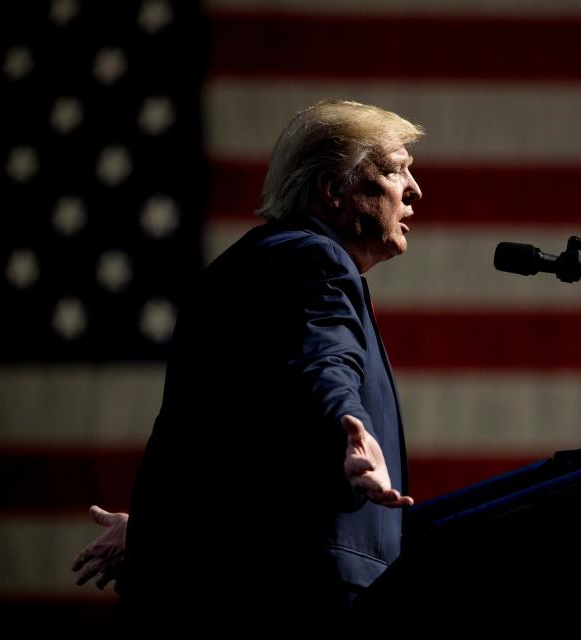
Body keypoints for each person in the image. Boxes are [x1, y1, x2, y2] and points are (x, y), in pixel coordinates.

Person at [71, 100, 423, 623]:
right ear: (333, 189)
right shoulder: (316, 261)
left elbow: (218, 434)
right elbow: (324, 362)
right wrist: (345, 431)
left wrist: (154, 528)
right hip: (303, 600)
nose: (414, 190)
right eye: (396, 170)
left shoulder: (241, 267)